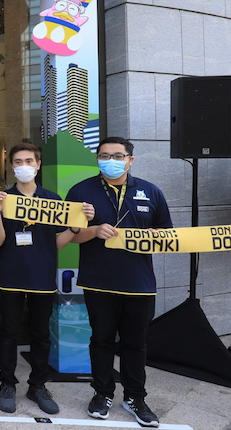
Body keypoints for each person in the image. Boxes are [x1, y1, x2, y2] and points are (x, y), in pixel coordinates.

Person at [66, 137, 172, 428]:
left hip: (139, 283)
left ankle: (135, 397)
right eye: (103, 155)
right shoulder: (80, 191)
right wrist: (93, 230)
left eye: (117, 155)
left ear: (130, 160)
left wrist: (154, 238)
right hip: (98, 281)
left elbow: (167, 235)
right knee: (100, 341)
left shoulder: (150, 192)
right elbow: (69, 235)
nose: (109, 160)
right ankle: (102, 393)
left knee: (135, 344)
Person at [0, 143, 94, 415]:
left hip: (43, 278)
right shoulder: (4, 198)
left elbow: (59, 243)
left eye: (28, 160)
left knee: (41, 334)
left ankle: (37, 385)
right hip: (10, 276)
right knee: (8, 333)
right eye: (17, 161)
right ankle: (7, 384)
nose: (23, 165)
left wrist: (74, 227)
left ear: (38, 165)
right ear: (11, 166)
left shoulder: (53, 200)